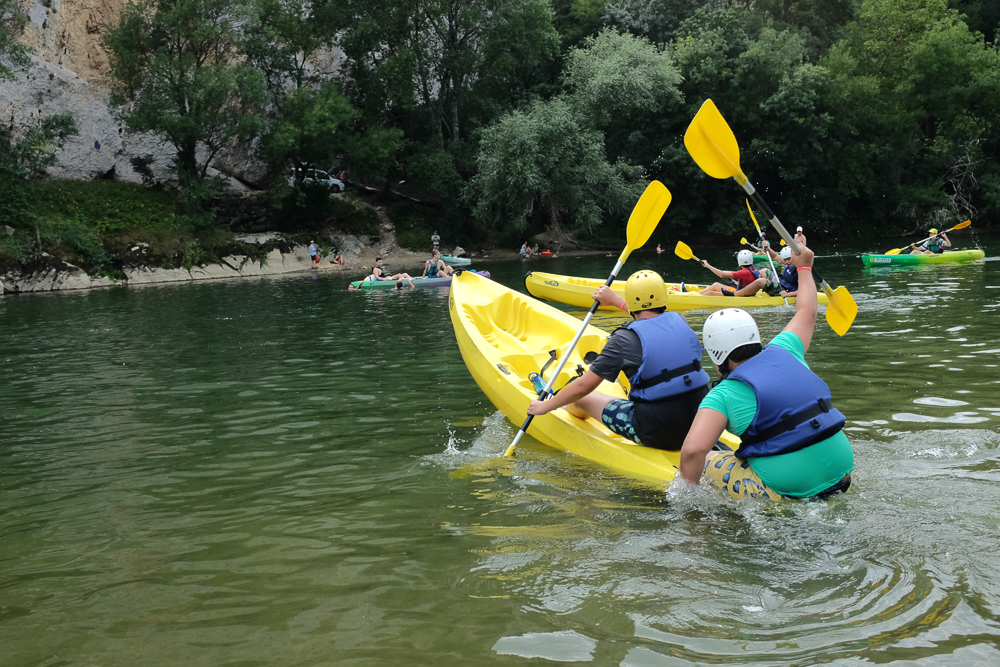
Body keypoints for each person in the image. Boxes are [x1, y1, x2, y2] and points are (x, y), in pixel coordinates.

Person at [677, 244, 854, 501]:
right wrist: (804, 267)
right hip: (842, 472)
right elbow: (808, 311)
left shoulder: (722, 395)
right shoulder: (786, 348)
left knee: (708, 457)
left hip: (788, 488)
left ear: (715, 356)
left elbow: (692, 452)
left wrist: (686, 500)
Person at [526, 271, 711, 451]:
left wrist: (544, 407)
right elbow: (651, 323)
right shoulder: (681, 320)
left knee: (582, 397)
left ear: (631, 300)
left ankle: (561, 404)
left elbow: (583, 387)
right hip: (700, 423)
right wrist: (617, 302)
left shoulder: (622, 340)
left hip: (656, 432)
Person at [692, 249, 768, 297]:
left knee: (709, 293)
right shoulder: (753, 268)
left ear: (739, 261)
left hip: (740, 295)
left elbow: (721, 274)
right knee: (716, 285)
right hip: (743, 291)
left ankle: (692, 297)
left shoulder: (744, 272)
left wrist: (707, 265)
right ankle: (694, 294)